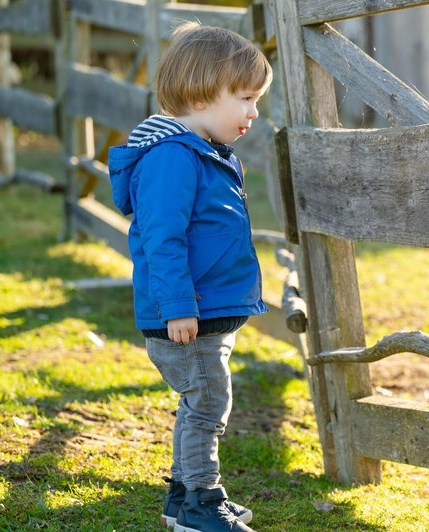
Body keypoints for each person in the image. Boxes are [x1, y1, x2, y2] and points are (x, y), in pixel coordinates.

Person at [108, 22, 272, 532]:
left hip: (203, 313)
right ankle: (203, 502)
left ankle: (182, 498)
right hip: (186, 314)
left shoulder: (202, 151)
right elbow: (164, 240)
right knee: (207, 405)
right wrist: (178, 306)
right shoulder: (172, 159)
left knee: (199, 401)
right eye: (245, 98)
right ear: (203, 91)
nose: (254, 112)